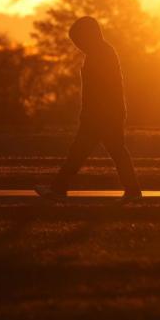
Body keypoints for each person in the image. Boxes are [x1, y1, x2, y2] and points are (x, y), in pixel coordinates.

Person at [35, 16, 142, 202]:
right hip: (106, 113)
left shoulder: (101, 54)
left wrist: (90, 114)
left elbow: (99, 89)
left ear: (89, 36)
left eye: (78, 40)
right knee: (97, 152)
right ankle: (132, 190)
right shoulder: (99, 53)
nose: (78, 45)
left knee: (89, 152)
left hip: (102, 115)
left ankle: (59, 188)